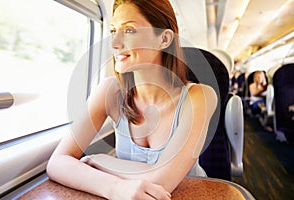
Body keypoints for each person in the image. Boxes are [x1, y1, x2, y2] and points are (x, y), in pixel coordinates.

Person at [46, 0, 217, 199]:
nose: (114, 43)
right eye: (113, 31)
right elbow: (57, 162)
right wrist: (115, 188)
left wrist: (100, 161)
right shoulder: (109, 91)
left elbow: (162, 183)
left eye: (129, 30)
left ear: (163, 39)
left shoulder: (199, 97)